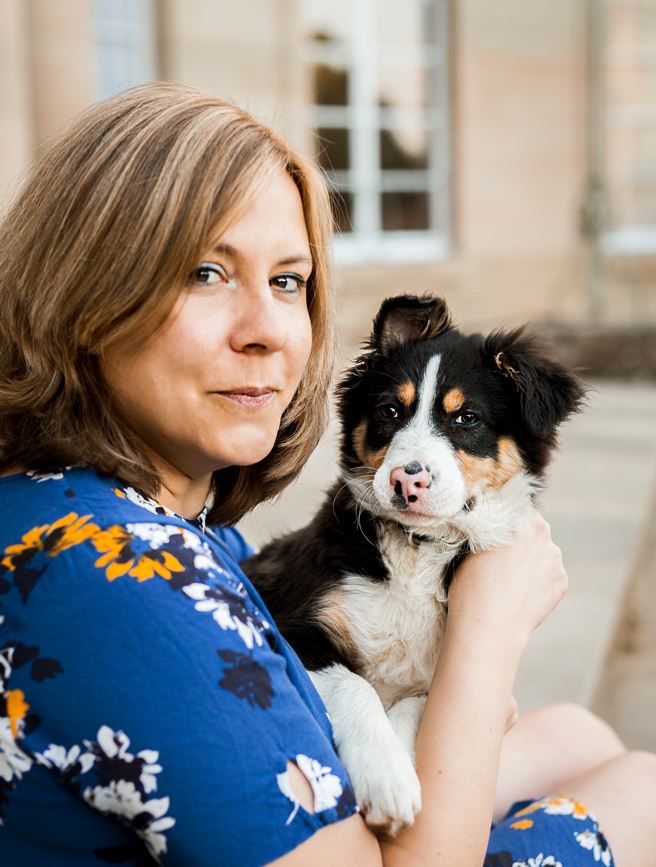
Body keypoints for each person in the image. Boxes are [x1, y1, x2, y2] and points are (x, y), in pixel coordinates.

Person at [0, 82, 654, 867]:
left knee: (582, 734)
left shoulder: (107, 516)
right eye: (206, 272)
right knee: (644, 788)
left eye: (288, 281)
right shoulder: (121, 582)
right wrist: (487, 626)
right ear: (84, 294)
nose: (270, 331)